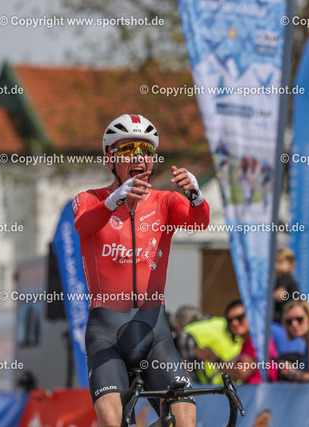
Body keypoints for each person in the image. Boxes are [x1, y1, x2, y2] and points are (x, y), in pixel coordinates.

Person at [73, 114, 209, 427]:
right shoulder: (89, 199)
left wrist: (196, 196)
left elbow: (199, 222)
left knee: (184, 421)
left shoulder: (166, 202)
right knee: (113, 422)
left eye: (146, 150)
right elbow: (83, 225)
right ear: (110, 158)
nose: (138, 157)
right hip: (106, 334)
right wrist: (112, 202)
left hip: (154, 331)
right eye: (128, 149)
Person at [195, 299, 278, 383]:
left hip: (263, 390)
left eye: (239, 318)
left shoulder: (257, 341)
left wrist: (216, 360)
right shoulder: (247, 343)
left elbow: (240, 374)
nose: (234, 323)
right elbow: (236, 376)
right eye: (230, 320)